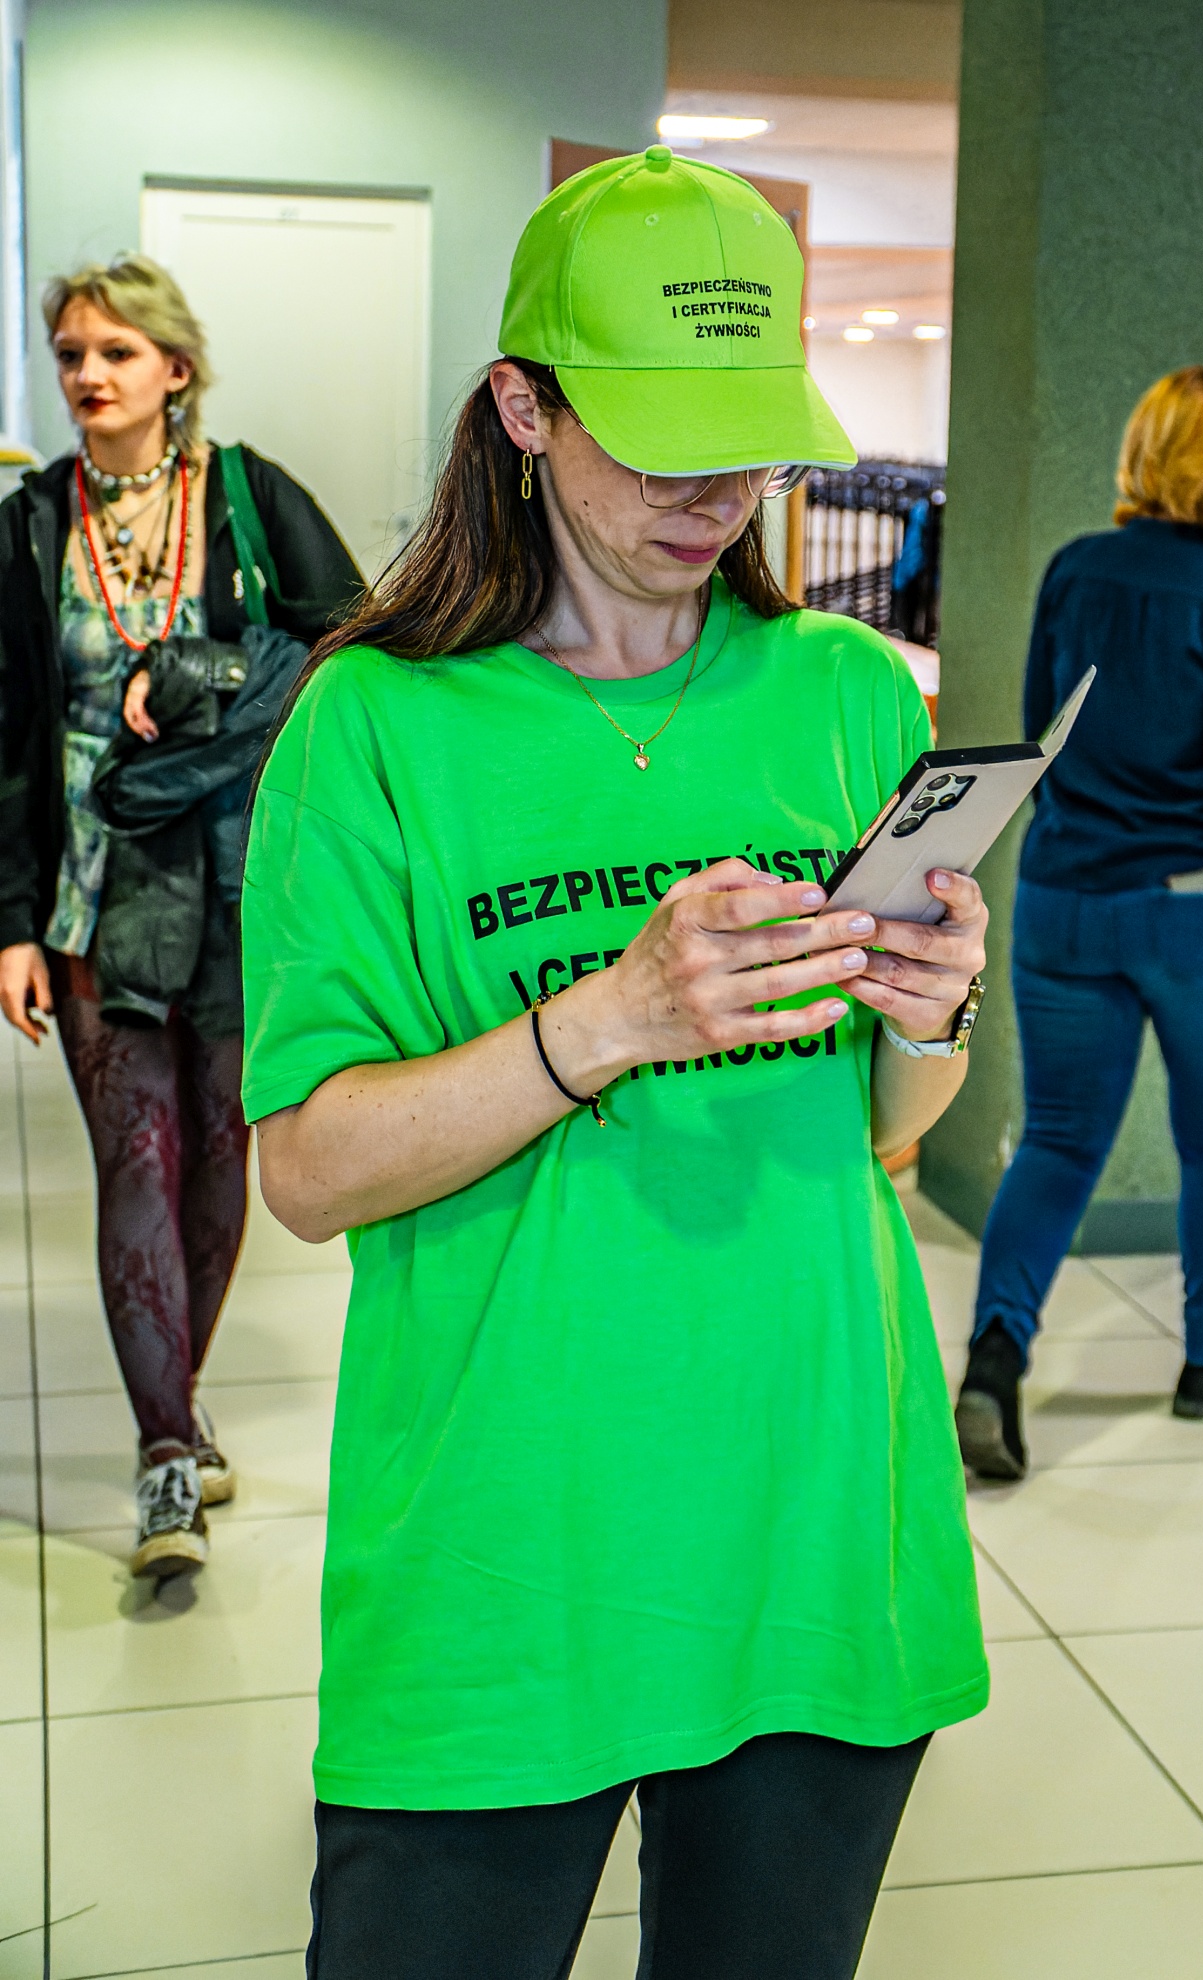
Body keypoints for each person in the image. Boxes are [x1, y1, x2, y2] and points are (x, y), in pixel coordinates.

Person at [242, 149, 990, 1977]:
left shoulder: (846, 691)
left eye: (749, 444)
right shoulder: (376, 721)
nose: (714, 496)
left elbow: (886, 1132)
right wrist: (609, 1020)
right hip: (510, 1532)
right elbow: (312, 1172)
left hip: (812, 1502)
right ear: (525, 409)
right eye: (660, 442)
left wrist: (930, 1008)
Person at [0, 254, 360, 1577]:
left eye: (115, 352)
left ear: (176, 368)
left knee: (219, 1157)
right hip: (94, 887)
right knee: (136, 1160)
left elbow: (357, 642)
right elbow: (4, 737)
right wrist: (10, 920)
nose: (89, 377)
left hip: (240, 879)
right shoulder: (31, 523)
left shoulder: (252, 497)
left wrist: (210, 665)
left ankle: (181, 1395)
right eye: (71, 356)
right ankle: (164, 1453)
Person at [956, 365, 1203, 1484]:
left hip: (1064, 901)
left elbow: (1038, 733)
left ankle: (993, 1361)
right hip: (1195, 919)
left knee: (1056, 1142)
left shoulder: (1073, 569)